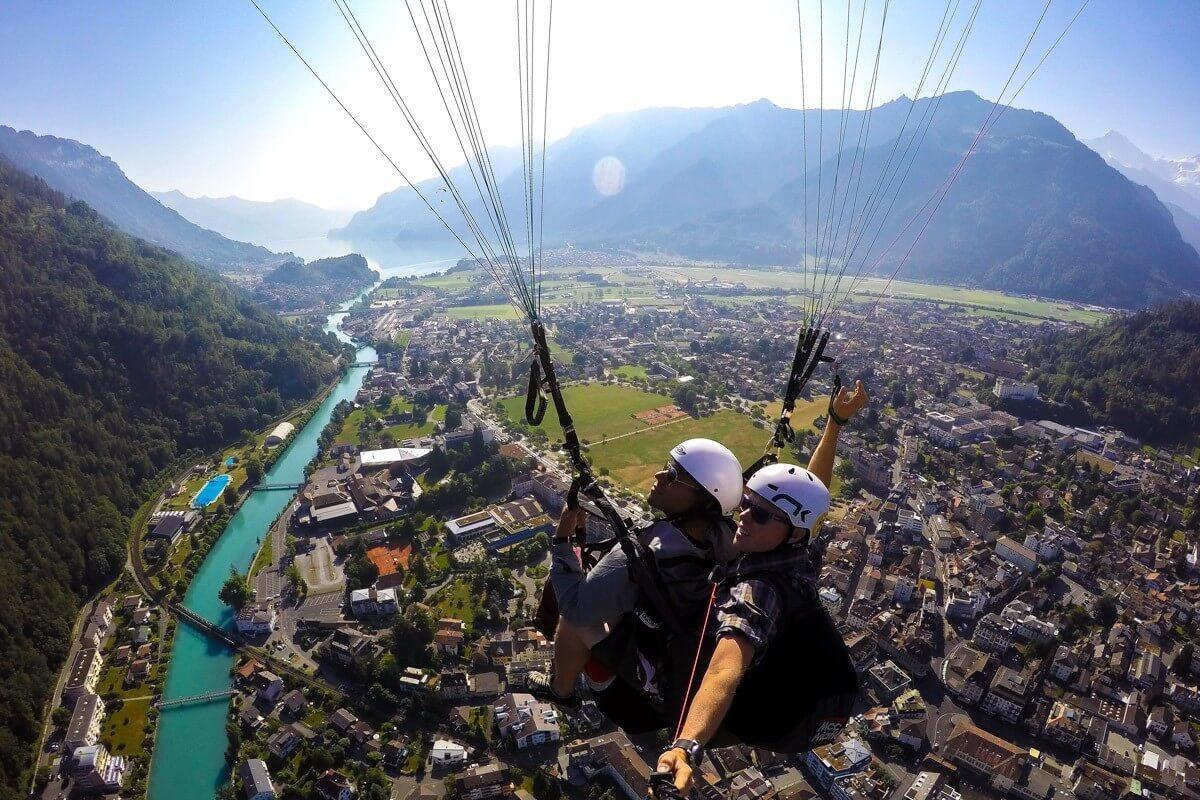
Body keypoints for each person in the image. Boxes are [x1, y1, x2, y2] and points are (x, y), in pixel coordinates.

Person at [654, 380, 869, 795]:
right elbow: (811, 490)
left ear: (789, 532)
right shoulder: (800, 549)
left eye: (760, 516)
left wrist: (687, 745)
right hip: (798, 699)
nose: (744, 519)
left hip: (757, 715)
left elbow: (724, 669)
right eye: (746, 504)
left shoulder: (757, 591)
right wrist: (835, 426)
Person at [530, 437, 744, 709]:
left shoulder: (641, 555)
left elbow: (575, 607)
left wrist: (562, 539)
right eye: (668, 466)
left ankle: (561, 691)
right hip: (686, 662)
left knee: (573, 619)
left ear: (704, 499)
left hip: (642, 692)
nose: (659, 475)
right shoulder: (729, 539)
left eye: (673, 475)